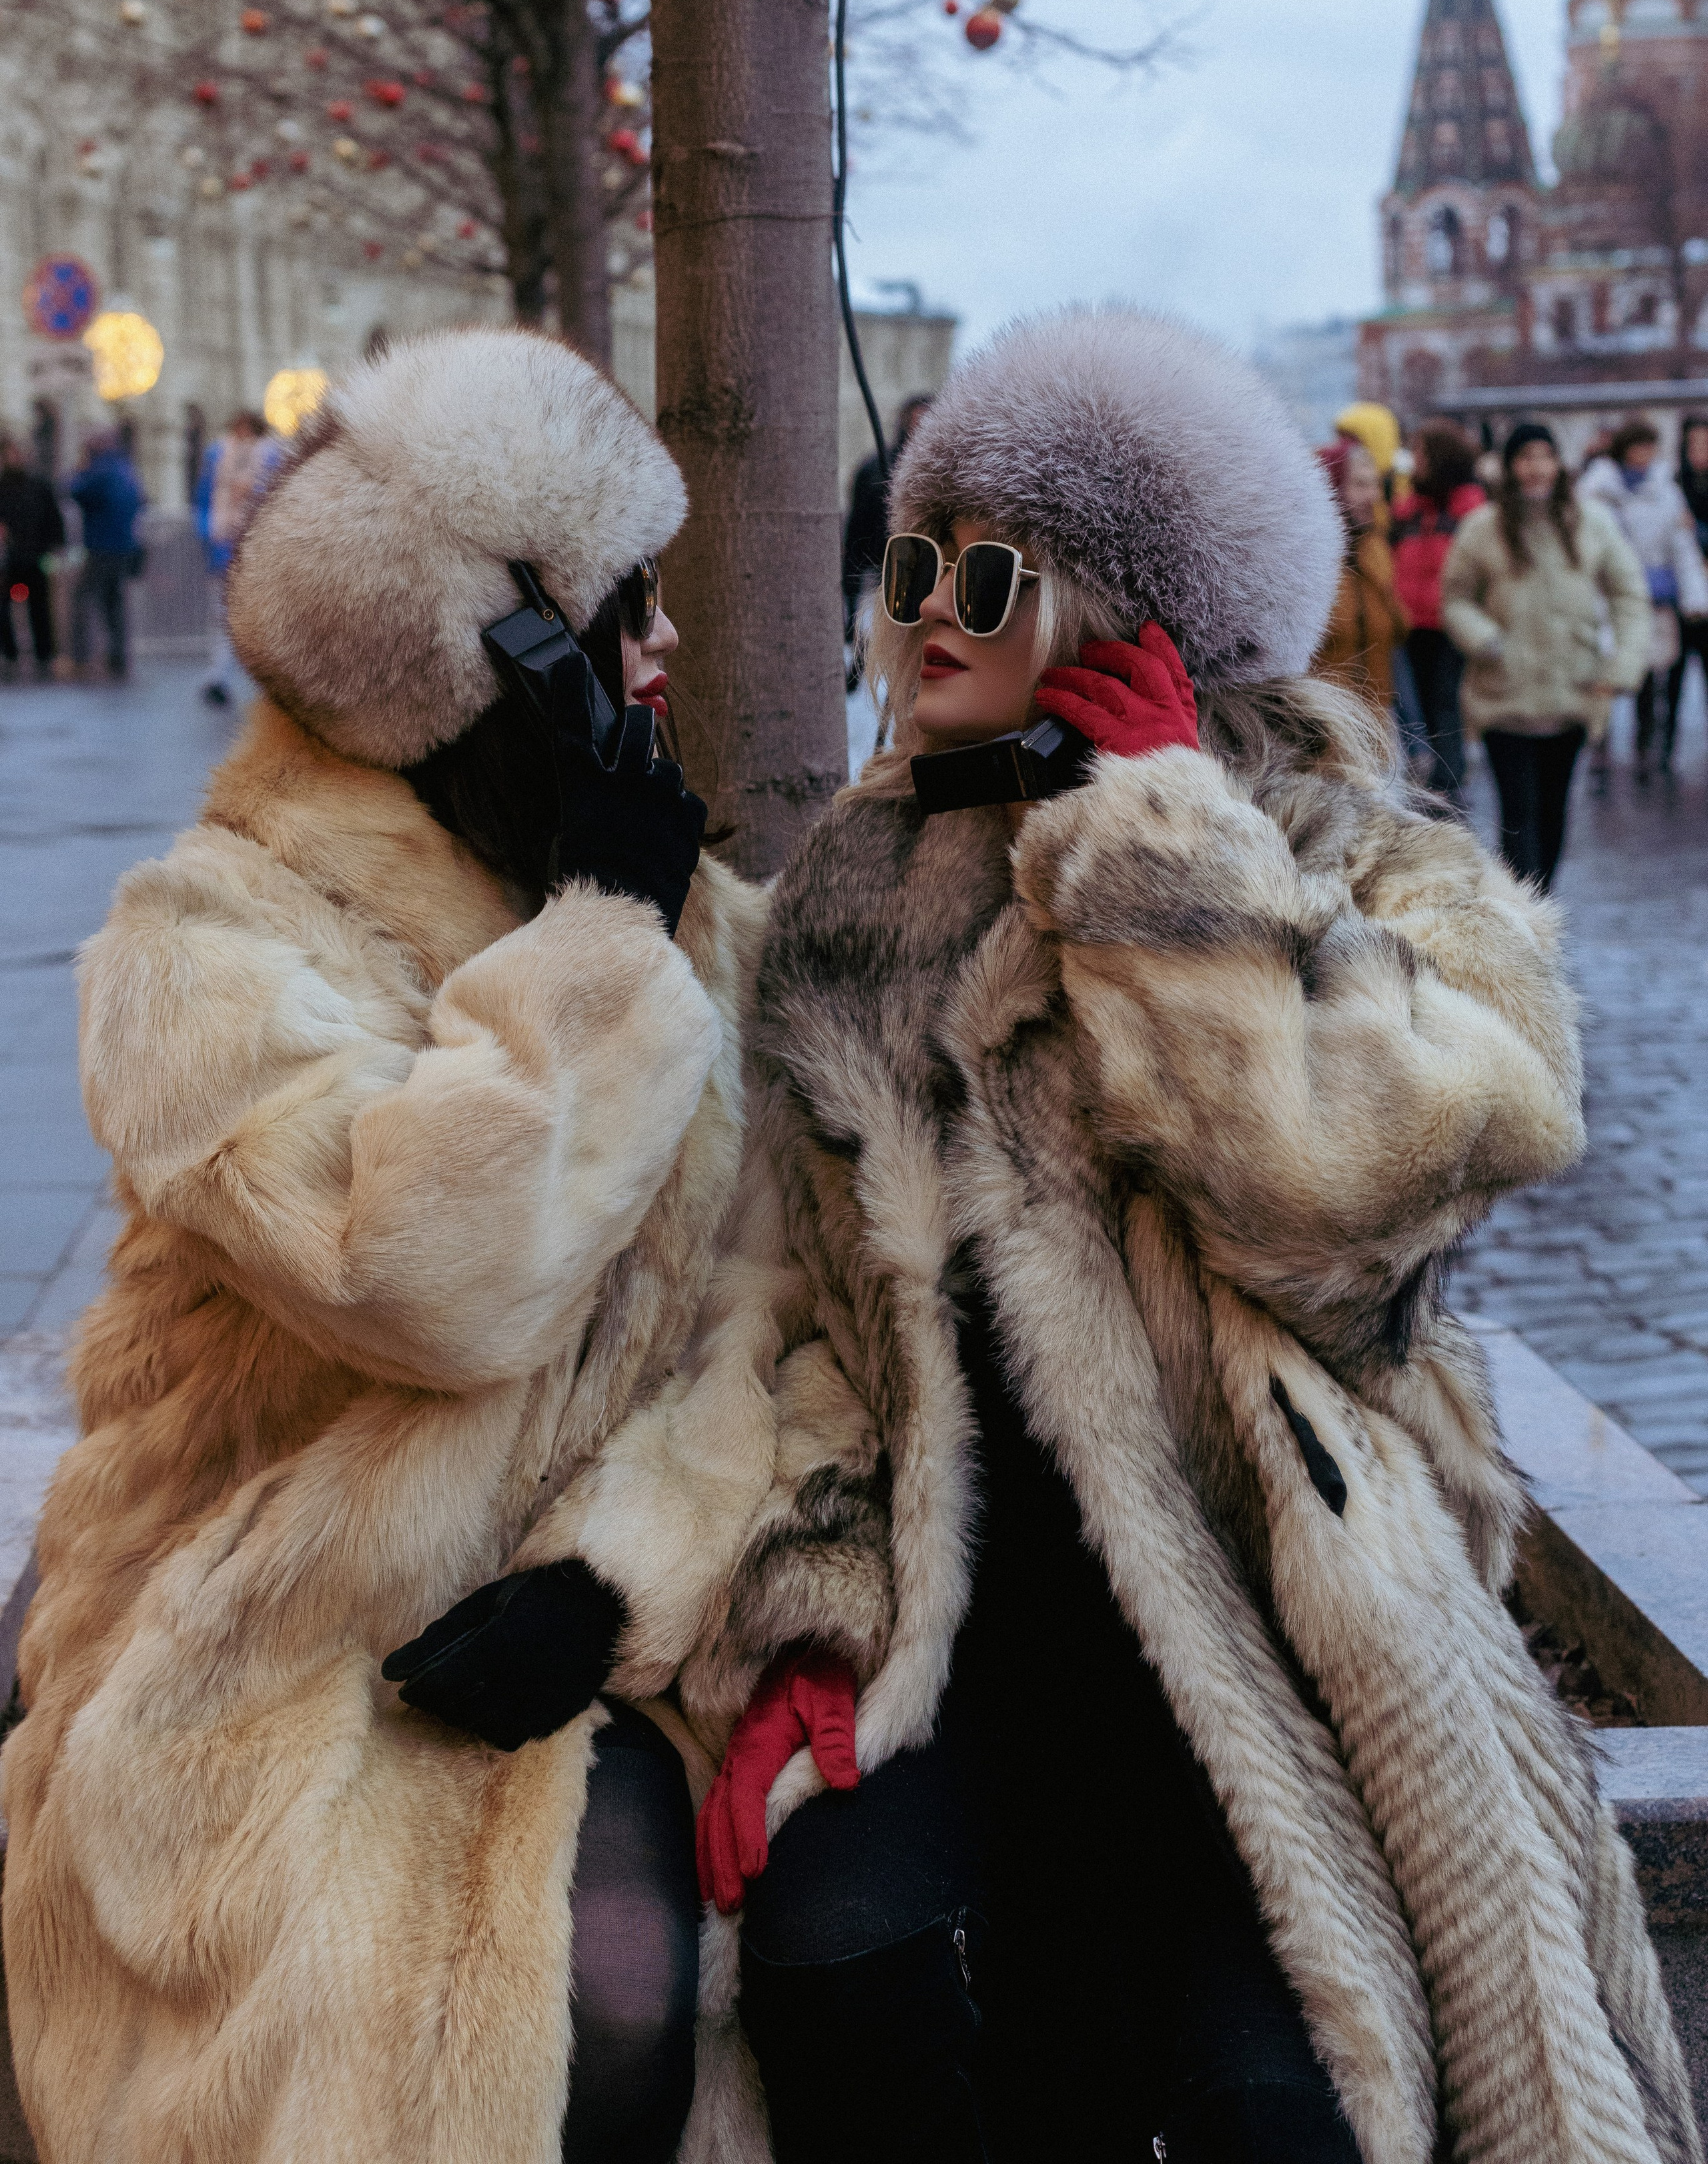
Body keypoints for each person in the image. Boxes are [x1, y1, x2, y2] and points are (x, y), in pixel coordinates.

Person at [693, 311, 1695, 2164]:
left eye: (986, 574)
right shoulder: (855, 881)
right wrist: (812, 1618)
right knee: (838, 1964)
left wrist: (1174, 861)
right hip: (968, 1626)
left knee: (1276, 2117)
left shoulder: (1362, 858)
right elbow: (802, 1305)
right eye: (912, 559)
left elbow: (1348, 1204)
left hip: (1290, 1637)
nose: (925, 611)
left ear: (1124, 611)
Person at [1, 330, 866, 2164]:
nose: (671, 648)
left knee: (638, 1985)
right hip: (266, 1642)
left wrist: (621, 1571)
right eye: (628, 610)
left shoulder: (686, 918)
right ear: (506, 665)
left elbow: (773, 1317)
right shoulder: (208, 942)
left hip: (562, 1634)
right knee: (385, 2028)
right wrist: (599, 945)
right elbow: (426, 1277)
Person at [1442, 420, 1649, 892]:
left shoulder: (1591, 522)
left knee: (1554, 816)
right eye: (1525, 458)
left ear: (1558, 463)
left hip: (1572, 695)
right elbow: (1455, 598)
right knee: (1518, 819)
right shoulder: (1483, 529)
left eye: (1544, 456)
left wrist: (1622, 666)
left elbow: (1628, 595)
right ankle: (1525, 926)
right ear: (1510, 467)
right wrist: (1485, 640)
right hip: (1504, 700)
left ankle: (1537, 911)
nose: (1535, 468)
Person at [1579, 418, 1708, 781]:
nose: (1645, 456)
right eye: (1640, 447)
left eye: (1651, 448)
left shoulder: (1665, 491)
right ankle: (1599, 744)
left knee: (1649, 676)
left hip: (1652, 600)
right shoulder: (1595, 491)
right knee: (1604, 671)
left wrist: (1696, 597)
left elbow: (1681, 549)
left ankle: (1645, 748)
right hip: (1605, 598)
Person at [1388, 420, 1486, 804]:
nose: (1414, 461)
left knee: (1447, 699)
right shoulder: (1409, 507)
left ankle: (1449, 779)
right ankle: (1438, 774)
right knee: (1421, 702)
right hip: (1413, 622)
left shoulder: (1471, 506)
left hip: (1450, 622)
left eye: (1421, 453)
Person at [1310, 435, 1408, 709]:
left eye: (1374, 483)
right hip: (1322, 727)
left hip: (1376, 721)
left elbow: (1398, 629)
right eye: (1360, 485)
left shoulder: (1374, 547)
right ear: (1331, 488)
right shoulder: (1309, 562)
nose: (1374, 495)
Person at [843, 391, 933, 681]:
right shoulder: (873, 469)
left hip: (911, 572)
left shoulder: (936, 476)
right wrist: (851, 579)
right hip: (871, 568)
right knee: (866, 633)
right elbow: (856, 526)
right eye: (916, 419)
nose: (920, 426)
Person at [194, 405, 270, 704]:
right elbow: (203, 498)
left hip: (258, 548)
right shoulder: (217, 455)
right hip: (225, 546)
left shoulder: (270, 455)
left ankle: (265, 679)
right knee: (222, 615)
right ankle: (219, 676)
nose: (240, 434)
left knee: (260, 617)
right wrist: (208, 534)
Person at [63, 428, 145, 679]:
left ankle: (79, 658)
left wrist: (79, 470)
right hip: (124, 545)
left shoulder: (99, 470)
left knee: (82, 599)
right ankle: (118, 658)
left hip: (102, 545)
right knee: (114, 603)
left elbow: (74, 489)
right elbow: (139, 501)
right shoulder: (126, 469)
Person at [0, 436, 65, 679]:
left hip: (36, 556)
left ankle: (44, 653)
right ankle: (10, 652)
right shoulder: (5, 487)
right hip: (10, 560)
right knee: (5, 609)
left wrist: (54, 546)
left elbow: (52, 518)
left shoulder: (39, 486)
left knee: (40, 608)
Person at [1665, 412, 1708, 765]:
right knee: (1673, 676)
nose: (1700, 451)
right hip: (1681, 596)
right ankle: (1665, 748)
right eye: (1694, 443)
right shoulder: (1674, 483)